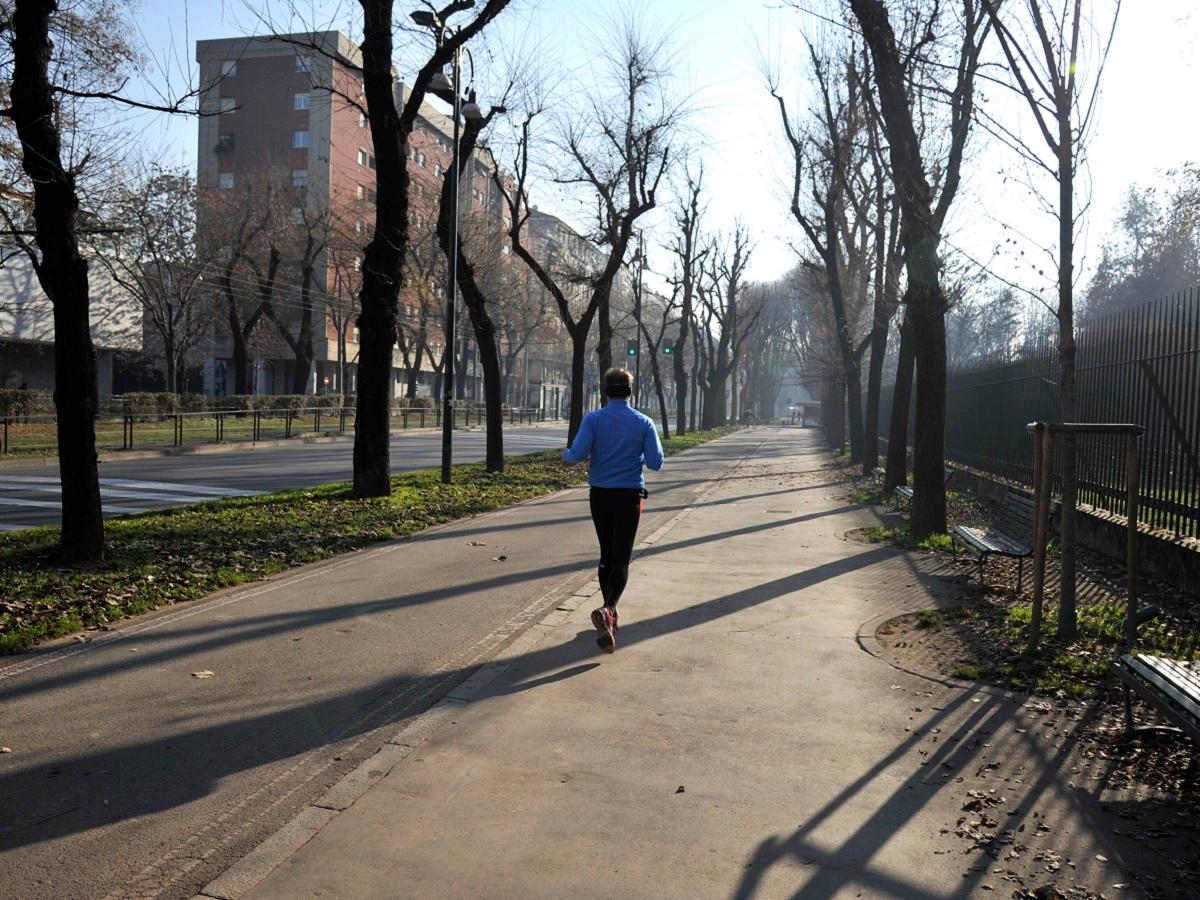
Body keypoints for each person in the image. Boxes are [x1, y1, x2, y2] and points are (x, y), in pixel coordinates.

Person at [563, 367, 664, 653]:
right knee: (622, 558)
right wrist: (638, 454)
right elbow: (656, 462)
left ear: (607, 391)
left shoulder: (593, 419)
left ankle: (609, 615)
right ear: (630, 391)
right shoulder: (643, 422)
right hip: (629, 496)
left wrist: (565, 456)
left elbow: (577, 454)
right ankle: (608, 610)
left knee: (606, 554)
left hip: (600, 496)